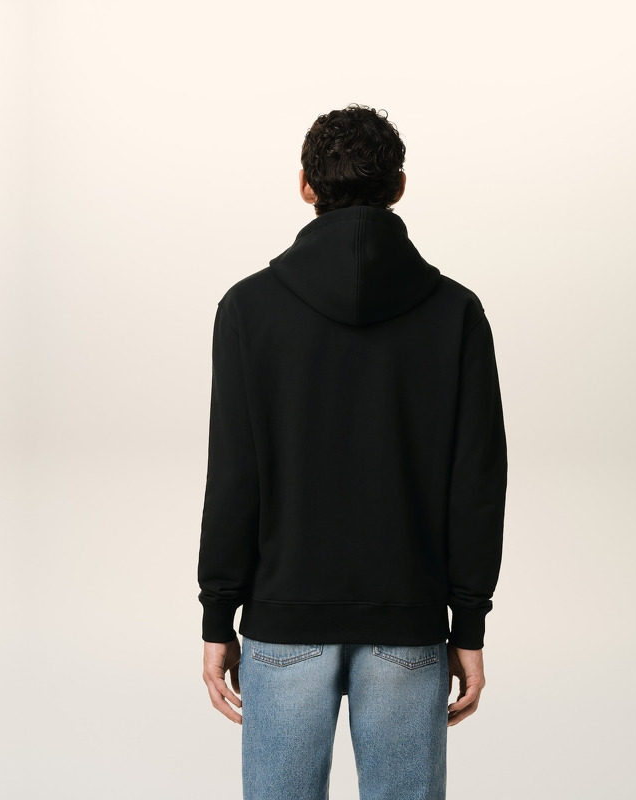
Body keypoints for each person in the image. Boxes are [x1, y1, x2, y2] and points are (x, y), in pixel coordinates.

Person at [197, 103, 508, 800]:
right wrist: (469, 624)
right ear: (398, 186)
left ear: (305, 185)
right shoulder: (455, 312)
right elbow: (477, 484)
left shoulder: (248, 309)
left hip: (284, 618)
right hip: (408, 621)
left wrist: (219, 614)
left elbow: (234, 476)